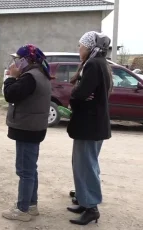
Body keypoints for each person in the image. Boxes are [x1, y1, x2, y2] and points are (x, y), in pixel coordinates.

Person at [1, 44, 52, 222]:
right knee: (30, 169)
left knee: (25, 171)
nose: (14, 63)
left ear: (26, 60)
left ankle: (22, 210)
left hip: (27, 128)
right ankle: (31, 204)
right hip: (33, 128)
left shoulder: (30, 77)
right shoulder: (39, 74)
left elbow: (10, 94)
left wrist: (11, 78)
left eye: (17, 59)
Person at [66, 31, 112, 225]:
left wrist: (74, 98)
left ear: (90, 47)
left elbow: (82, 93)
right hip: (92, 124)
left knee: (86, 166)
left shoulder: (93, 64)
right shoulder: (99, 63)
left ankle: (91, 207)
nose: (79, 48)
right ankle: (85, 201)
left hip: (89, 125)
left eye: (81, 45)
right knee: (82, 164)